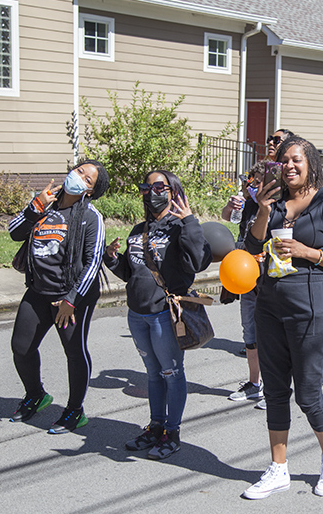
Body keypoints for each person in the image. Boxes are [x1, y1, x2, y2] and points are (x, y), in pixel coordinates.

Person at [242, 135, 323, 499]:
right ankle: (278, 469)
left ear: (311, 163)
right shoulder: (273, 203)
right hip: (270, 304)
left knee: (307, 393)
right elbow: (249, 247)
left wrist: (308, 251)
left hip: (313, 306)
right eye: (283, 161)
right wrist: (261, 208)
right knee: (275, 391)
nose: (289, 166)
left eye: (296, 160)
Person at [104, 170, 212, 459]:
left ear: (172, 191)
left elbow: (198, 261)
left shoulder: (181, 227)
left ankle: (172, 433)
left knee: (171, 373)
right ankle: (155, 427)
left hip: (166, 314)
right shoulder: (137, 230)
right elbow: (131, 272)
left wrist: (189, 221)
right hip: (137, 315)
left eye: (159, 186)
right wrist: (112, 259)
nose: (152, 192)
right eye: (147, 186)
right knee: (153, 375)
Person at [8, 160, 109, 433]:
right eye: (79, 171)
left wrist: (71, 299)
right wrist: (34, 207)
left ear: (90, 191)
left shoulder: (91, 217)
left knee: (74, 352)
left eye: (87, 180)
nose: (79, 178)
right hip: (39, 291)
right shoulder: (45, 205)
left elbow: (93, 262)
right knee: (21, 347)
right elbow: (14, 232)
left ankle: (75, 411)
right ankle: (36, 395)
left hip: (71, 297)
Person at [221, 161, 269, 409]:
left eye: (258, 181)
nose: (252, 185)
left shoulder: (277, 206)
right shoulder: (250, 201)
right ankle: (254, 383)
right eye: (252, 180)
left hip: (270, 278)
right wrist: (230, 207)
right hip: (245, 275)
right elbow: (228, 217)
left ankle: (274, 389)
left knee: (271, 335)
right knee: (249, 331)